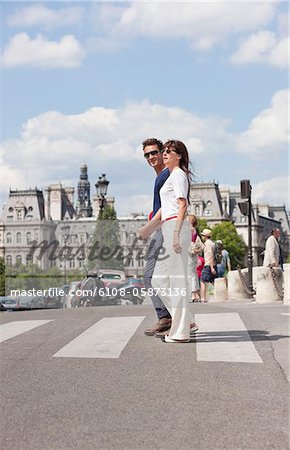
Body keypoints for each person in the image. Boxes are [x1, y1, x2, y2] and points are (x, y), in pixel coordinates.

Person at [139, 140, 195, 343]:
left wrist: (174, 232)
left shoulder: (174, 175)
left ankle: (177, 326)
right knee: (160, 280)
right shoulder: (171, 175)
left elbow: (182, 204)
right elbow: (169, 205)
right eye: (148, 155)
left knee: (166, 279)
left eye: (164, 151)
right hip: (167, 226)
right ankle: (184, 320)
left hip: (172, 228)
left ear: (178, 155)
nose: (157, 156)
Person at [140, 138, 172, 336]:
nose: (151, 157)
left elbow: (168, 206)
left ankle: (165, 316)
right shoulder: (161, 176)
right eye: (147, 154)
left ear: (162, 152)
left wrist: (148, 227)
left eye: (154, 152)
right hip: (161, 228)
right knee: (163, 277)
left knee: (149, 275)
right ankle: (175, 317)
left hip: (164, 229)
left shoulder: (167, 174)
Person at [187, 214, 204, 301]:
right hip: (194, 255)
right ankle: (196, 294)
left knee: (190, 275)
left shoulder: (189, 229)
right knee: (194, 274)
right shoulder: (195, 230)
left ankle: (193, 294)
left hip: (189, 254)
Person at [200, 228, 217, 303]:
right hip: (213, 264)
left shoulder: (207, 244)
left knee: (202, 280)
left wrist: (211, 267)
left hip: (208, 264)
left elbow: (210, 255)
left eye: (203, 235)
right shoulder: (213, 243)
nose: (202, 237)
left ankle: (203, 298)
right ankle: (213, 297)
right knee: (212, 281)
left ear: (206, 236)